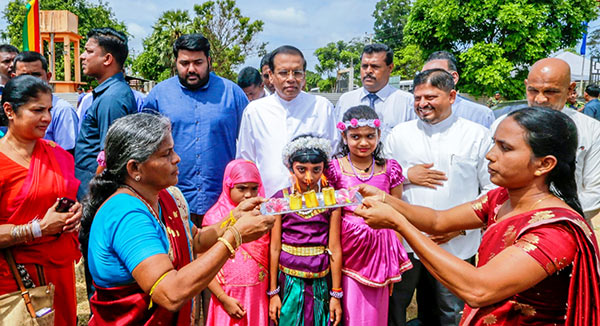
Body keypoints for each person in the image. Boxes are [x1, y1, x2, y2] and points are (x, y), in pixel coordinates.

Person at [354, 106, 600, 325]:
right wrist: (386, 199)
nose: (490, 155)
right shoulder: (501, 198)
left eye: (505, 148)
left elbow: (478, 289)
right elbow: (438, 221)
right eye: (495, 143)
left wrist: (399, 224)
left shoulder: (554, 232)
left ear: (544, 164)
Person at [80, 113, 275, 325]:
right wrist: (235, 236)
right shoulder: (126, 215)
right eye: (166, 154)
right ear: (135, 168)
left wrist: (234, 218)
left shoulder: (166, 196)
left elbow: (196, 240)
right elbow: (170, 293)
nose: (177, 158)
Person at [385, 69, 494, 326]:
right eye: (418, 97)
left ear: (452, 95)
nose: (422, 104)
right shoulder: (400, 134)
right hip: (407, 245)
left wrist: (459, 227)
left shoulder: (477, 135)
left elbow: (492, 191)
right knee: (396, 308)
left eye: (431, 97)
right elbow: (383, 180)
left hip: (456, 245)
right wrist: (406, 175)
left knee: (452, 313)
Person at [0, 75, 82, 326]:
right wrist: (38, 229)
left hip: (60, 273)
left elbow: (67, 198)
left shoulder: (57, 154)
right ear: (9, 111)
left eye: (49, 109)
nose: (47, 117)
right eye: (37, 110)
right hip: (14, 277)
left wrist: (75, 214)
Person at [143, 34, 249, 226]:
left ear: (209, 61)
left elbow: (249, 146)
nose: (191, 69)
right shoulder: (159, 95)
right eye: (184, 63)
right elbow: (145, 148)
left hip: (224, 202)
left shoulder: (232, 94)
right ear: (175, 62)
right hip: (171, 200)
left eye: (198, 62)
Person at [327, 105, 412, 325]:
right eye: (355, 136)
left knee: (376, 313)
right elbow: (330, 217)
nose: (363, 143)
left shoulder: (390, 169)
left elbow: (397, 213)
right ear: (344, 137)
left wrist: (394, 259)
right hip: (347, 252)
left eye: (369, 136)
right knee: (348, 311)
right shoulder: (335, 169)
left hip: (380, 253)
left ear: (378, 135)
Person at [492, 58, 600, 220]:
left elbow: (595, 191)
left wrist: (545, 220)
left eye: (550, 92)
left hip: (563, 229)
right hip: (505, 222)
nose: (540, 99)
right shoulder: (503, 126)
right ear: (526, 85)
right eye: (533, 90)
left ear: (570, 89)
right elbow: (490, 182)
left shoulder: (591, 130)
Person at [237, 45, 338, 198]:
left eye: (297, 73)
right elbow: (246, 161)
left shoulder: (322, 107)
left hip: (315, 204)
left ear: (304, 76)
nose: (291, 79)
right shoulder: (255, 111)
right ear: (270, 76)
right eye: (283, 73)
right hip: (267, 202)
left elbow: (334, 156)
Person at [268, 135, 342, 326]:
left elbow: (334, 247)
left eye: (316, 170)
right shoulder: (280, 200)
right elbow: (275, 247)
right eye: (301, 170)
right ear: (290, 168)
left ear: (324, 169)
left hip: (320, 281)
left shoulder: (331, 200)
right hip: (288, 281)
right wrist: (273, 293)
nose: (308, 177)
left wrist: (336, 294)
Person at [203, 159, 270, 325]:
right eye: (241, 188)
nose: (248, 194)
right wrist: (223, 298)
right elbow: (203, 264)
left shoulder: (264, 219)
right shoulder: (214, 219)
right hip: (226, 296)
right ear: (228, 187)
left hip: (257, 295)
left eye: (254, 188)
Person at [74, 27, 137, 200]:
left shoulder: (112, 98)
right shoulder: (110, 93)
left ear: (107, 59)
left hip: (95, 193)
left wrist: (93, 197)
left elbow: (109, 156)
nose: (82, 56)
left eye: (89, 51)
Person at [335, 43, 414, 141]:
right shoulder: (346, 100)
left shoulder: (407, 102)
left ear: (390, 68)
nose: (368, 71)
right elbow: (337, 139)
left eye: (375, 66)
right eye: (364, 66)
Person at [13, 51, 79, 152]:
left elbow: (67, 155)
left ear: (48, 77)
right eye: (24, 76)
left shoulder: (62, 110)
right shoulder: (11, 109)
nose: (31, 81)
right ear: (14, 78)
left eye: (36, 75)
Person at [423, 51, 495, 128]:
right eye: (423, 76)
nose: (427, 81)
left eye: (435, 75)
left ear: (454, 78)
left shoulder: (481, 115)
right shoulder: (415, 113)